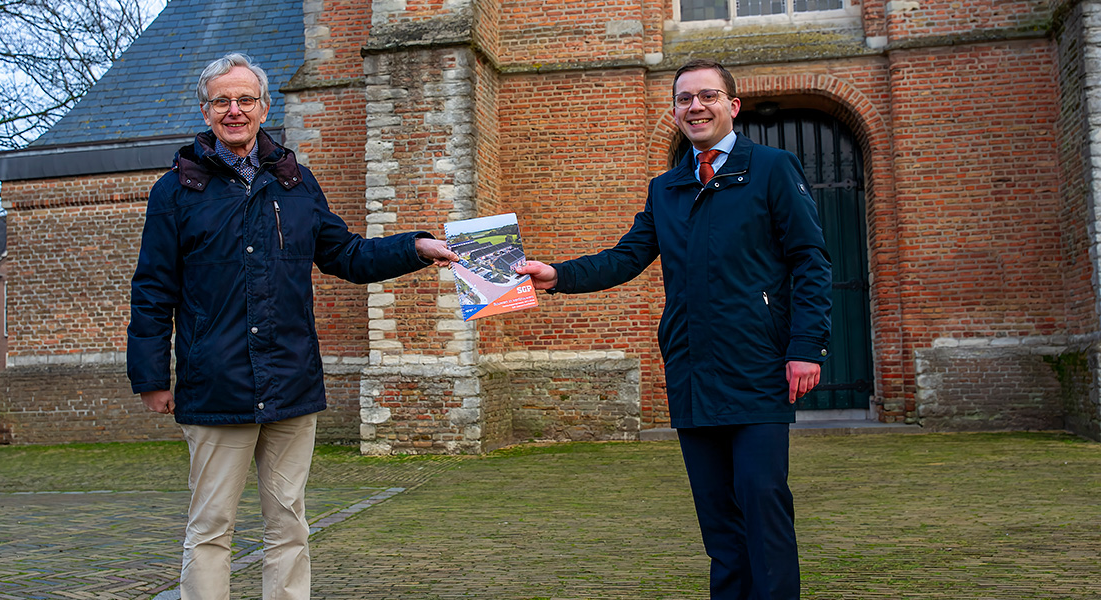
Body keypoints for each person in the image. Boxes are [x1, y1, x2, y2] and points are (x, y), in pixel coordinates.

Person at [126, 53, 457, 600]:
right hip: (217, 385)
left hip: (291, 383)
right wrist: (151, 376)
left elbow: (346, 254)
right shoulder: (175, 191)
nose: (235, 110)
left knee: (289, 526)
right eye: (222, 101)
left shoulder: (296, 183)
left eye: (245, 100)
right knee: (210, 530)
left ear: (264, 107)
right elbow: (153, 288)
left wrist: (417, 246)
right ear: (206, 112)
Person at [517, 58, 832, 600]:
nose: (696, 107)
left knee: (763, 507)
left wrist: (806, 346)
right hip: (692, 370)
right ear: (675, 111)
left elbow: (811, 260)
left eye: (708, 96)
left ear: (732, 106)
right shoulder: (666, 187)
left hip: (758, 367)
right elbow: (625, 257)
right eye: (685, 99)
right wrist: (556, 275)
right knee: (719, 526)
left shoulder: (772, 168)